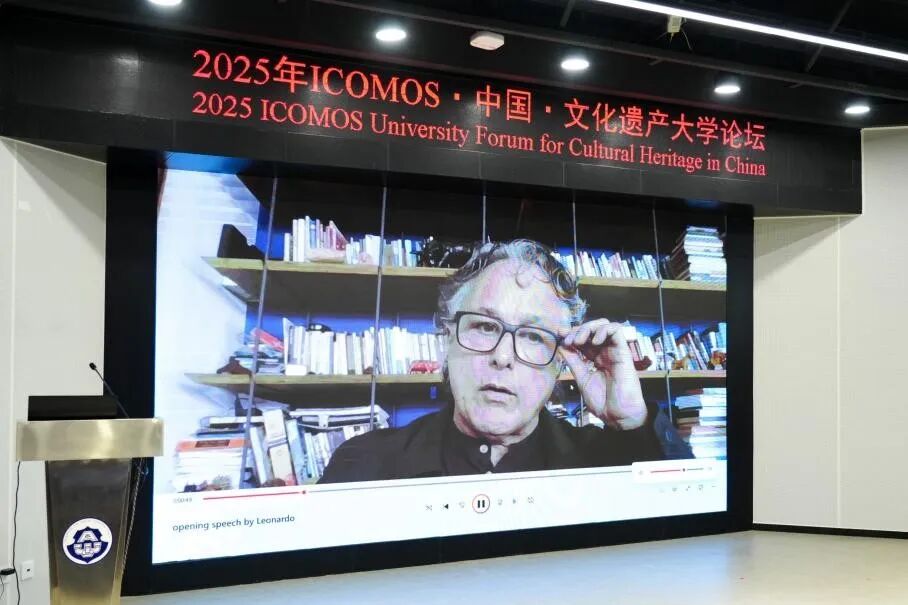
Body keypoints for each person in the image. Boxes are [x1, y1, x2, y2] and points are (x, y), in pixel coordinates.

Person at [320, 239, 688, 483]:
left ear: (562, 362)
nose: (502, 357)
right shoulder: (363, 464)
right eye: (484, 326)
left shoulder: (611, 462)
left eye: (533, 336)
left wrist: (632, 422)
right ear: (447, 340)